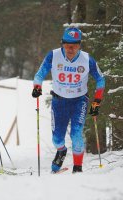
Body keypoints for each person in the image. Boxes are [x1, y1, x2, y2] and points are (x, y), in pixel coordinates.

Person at [32, 27, 105, 173]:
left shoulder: (87, 59)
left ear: (79, 45)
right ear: (62, 44)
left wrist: (96, 101)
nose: (70, 48)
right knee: (57, 139)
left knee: (76, 133)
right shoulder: (53, 56)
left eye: (74, 45)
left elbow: (101, 80)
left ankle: (77, 168)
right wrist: (37, 87)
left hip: (79, 101)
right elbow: (39, 75)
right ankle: (61, 150)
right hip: (59, 101)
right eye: (67, 45)